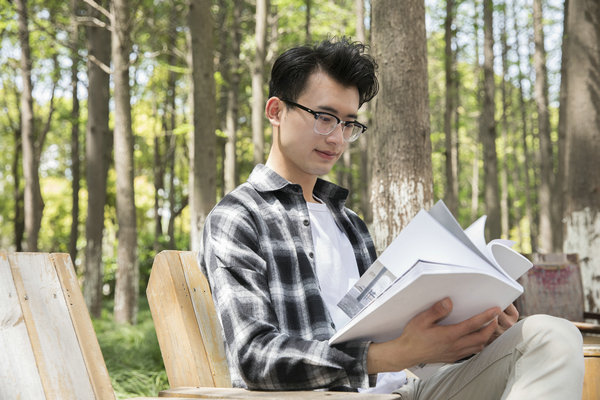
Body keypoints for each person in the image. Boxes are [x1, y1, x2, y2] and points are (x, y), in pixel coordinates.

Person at [198, 37, 584, 398]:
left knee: (551, 336)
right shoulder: (240, 217)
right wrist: (383, 356)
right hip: (325, 396)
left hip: (406, 390)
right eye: (324, 117)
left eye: (349, 123)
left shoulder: (350, 225)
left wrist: (475, 332)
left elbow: (408, 348)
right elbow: (254, 356)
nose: (336, 138)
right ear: (276, 111)